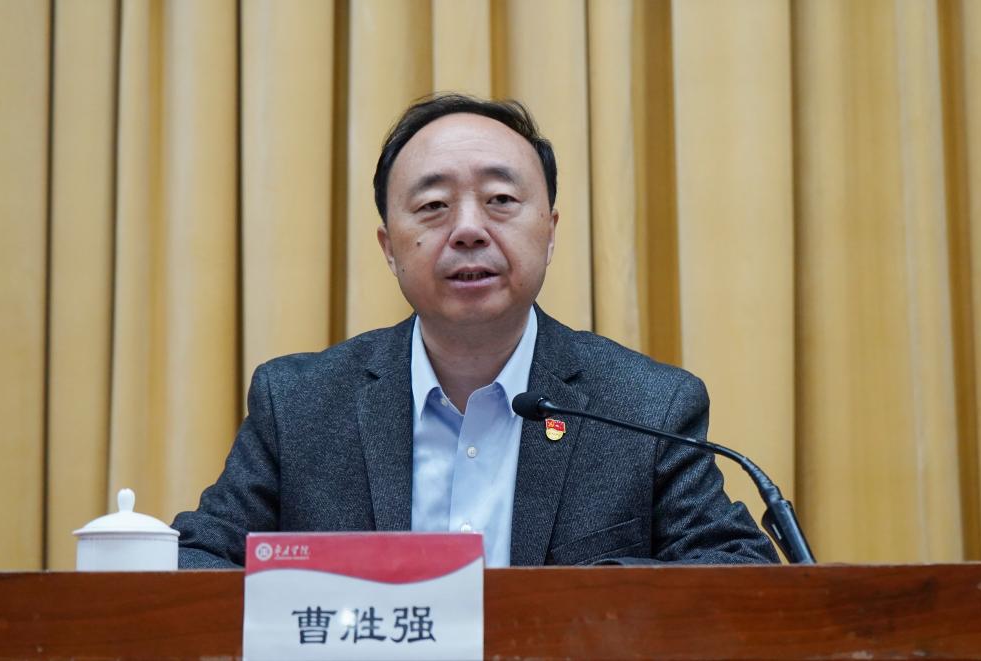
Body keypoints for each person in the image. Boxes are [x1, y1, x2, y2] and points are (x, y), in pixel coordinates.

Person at [173, 94, 779, 568]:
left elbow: (735, 569)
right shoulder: (299, 404)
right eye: (433, 206)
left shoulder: (646, 406)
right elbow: (197, 559)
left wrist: (569, 604)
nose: (468, 229)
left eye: (500, 200)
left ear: (550, 232)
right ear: (389, 247)